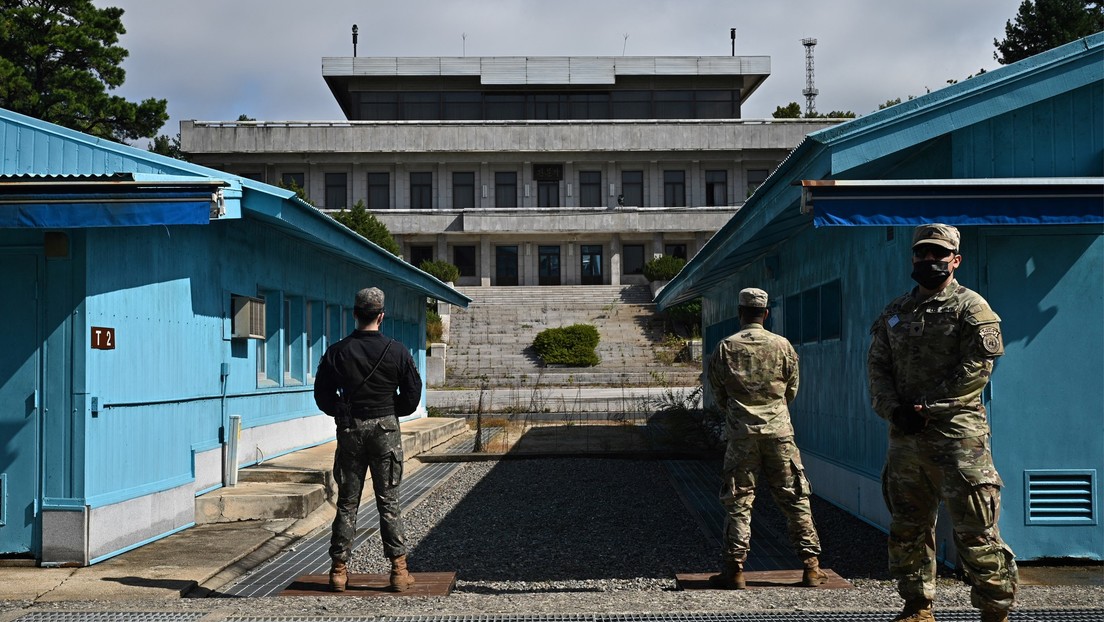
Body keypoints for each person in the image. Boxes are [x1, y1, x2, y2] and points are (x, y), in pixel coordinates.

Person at [868, 224, 1018, 622]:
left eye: (938, 254)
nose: (929, 260)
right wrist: (894, 409)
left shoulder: (972, 307)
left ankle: (995, 608)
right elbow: (878, 366)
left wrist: (928, 407)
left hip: (957, 437)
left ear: (956, 260)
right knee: (908, 527)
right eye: (922, 254)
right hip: (906, 439)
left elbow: (978, 369)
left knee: (975, 529)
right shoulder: (895, 311)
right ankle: (917, 606)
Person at [706, 287, 828, 590]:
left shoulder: (725, 347)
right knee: (795, 498)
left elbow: (718, 392)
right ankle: (811, 568)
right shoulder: (783, 345)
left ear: (740, 313)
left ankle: (734, 570)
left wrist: (738, 414)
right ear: (766, 313)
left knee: (739, 501)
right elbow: (792, 390)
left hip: (741, 435)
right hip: (779, 433)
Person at [314, 287, 423, 592]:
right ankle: (399, 571)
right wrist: (389, 411)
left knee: (347, 502)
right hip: (385, 430)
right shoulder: (397, 351)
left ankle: (338, 570)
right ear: (381, 315)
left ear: (355, 314)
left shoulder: (337, 351)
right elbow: (412, 396)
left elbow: (322, 395)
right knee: (389, 502)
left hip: (350, 431)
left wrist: (343, 412)